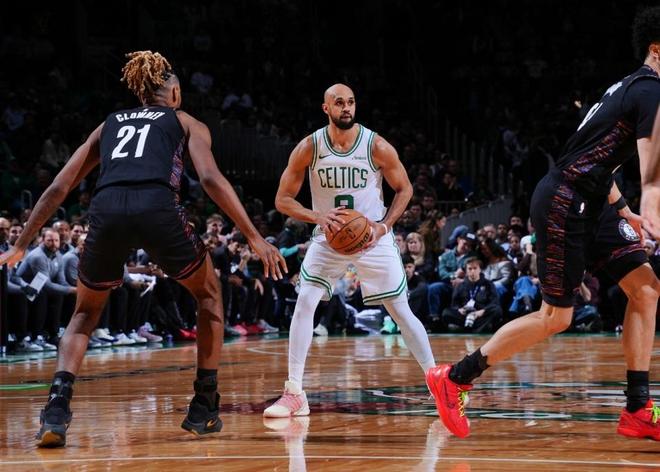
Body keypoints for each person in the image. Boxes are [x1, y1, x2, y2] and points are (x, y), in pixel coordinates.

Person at [0, 50, 286, 447]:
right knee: (208, 294)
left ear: (140, 94)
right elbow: (210, 178)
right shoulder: (185, 121)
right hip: (156, 205)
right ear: (175, 93)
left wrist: (21, 243)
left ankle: (56, 409)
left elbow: (59, 186)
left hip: (106, 206)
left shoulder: (109, 124)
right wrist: (254, 236)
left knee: (84, 314)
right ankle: (204, 406)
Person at [427, 7, 660, 441]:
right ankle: (455, 377)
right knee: (556, 317)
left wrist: (624, 210)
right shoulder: (650, 89)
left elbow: (595, 159)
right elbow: (651, 169)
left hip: (594, 201)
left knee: (645, 289)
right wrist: (650, 205)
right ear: (656, 49)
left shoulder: (627, 89)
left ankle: (637, 409)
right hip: (563, 200)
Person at [264, 83, 438, 417]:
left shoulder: (376, 146)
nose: (347, 108)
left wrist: (383, 226)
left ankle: (437, 385)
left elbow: (404, 189)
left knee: (400, 311)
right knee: (305, 301)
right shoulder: (309, 147)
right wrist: (317, 217)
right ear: (326, 108)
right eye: (339, 102)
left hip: (371, 236)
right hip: (329, 237)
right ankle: (294, 393)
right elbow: (282, 199)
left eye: (351, 102)